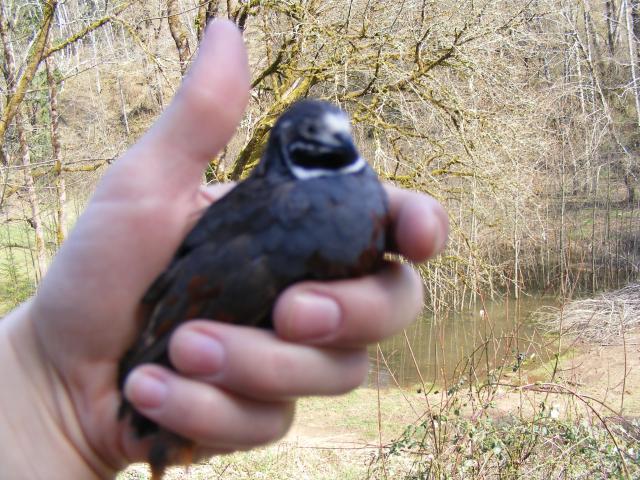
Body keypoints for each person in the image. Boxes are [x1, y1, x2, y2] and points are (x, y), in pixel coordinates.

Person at [0, 21, 449, 479]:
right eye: (314, 141)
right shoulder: (266, 212)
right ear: (291, 151)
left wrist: (50, 402)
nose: (333, 147)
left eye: (341, 138)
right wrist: (48, 390)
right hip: (140, 375)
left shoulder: (338, 199)